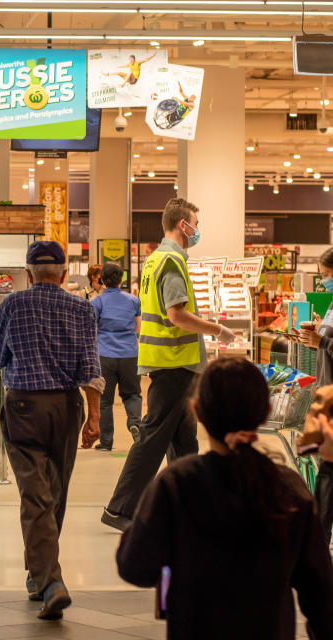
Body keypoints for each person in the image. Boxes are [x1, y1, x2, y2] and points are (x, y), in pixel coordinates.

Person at [116, 357, 333, 640]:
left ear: (197, 411)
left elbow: (135, 567)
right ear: (266, 411)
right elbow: (320, 596)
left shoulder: (177, 484)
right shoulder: (288, 488)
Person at [0, 240, 103, 621]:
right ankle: (43, 577)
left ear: (28, 273)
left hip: (23, 407)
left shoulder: (11, 305)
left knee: (36, 496)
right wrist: (95, 417)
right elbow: (91, 369)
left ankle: (48, 580)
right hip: (66, 409)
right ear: (65, 274)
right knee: (55, 495)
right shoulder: (82, 308)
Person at [102, 198, 236, 532]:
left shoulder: (153, 261)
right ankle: (119, 510)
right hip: (174, 362)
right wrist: (217, 329)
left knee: (184, 439)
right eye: (195, 224)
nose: (197, 230)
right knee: (152, 439)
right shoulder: (172, 261)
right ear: (182, 225)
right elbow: (176, 315)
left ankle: (189, 507)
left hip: (170, 362)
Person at [292, 246, 333, 545]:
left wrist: (322, 341)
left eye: (328, 275)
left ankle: (318, 536)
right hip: (327, 394)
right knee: (324, 467)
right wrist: (313, 338)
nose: (324, 281)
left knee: (328, 470)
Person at [91, 263, 142, 451]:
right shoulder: (133, 300)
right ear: (122, 280)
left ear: (101, 280)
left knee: (104, 400)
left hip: (105, 355)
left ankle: (106, 442)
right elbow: (139, 328)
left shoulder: (97, 302)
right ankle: (135, 424)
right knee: (132, 394)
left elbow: (92, 328)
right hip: (130, 354)